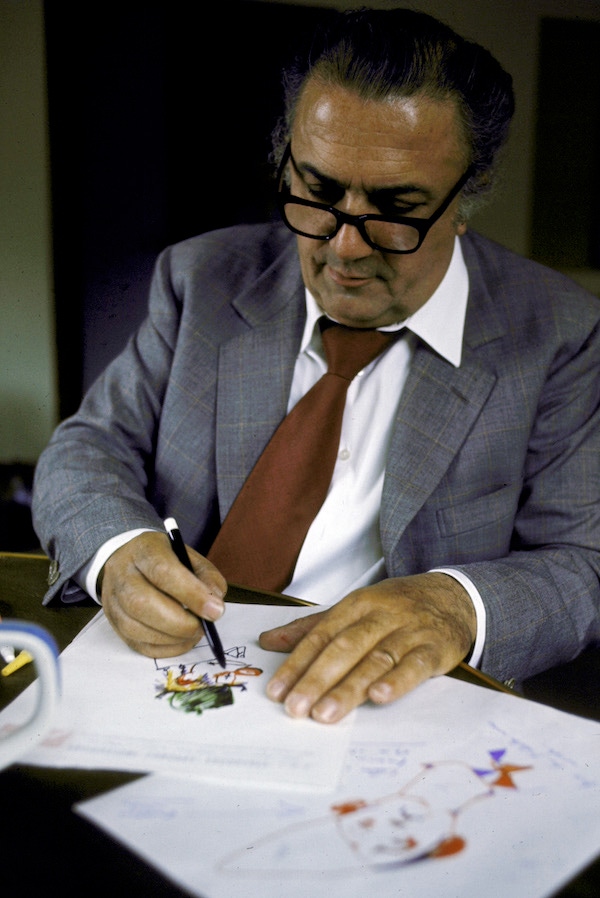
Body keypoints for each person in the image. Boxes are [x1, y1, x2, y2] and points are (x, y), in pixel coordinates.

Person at [32, 7, 600, 724]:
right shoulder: (201, 278)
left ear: (469, 195)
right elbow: (89, 447)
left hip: (389, 714)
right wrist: (117, 548)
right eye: (319, 193)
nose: (345, 248)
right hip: (165, 681)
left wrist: (455, 603)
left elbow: (585, 562)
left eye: (396, 208)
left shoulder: (560, 332)